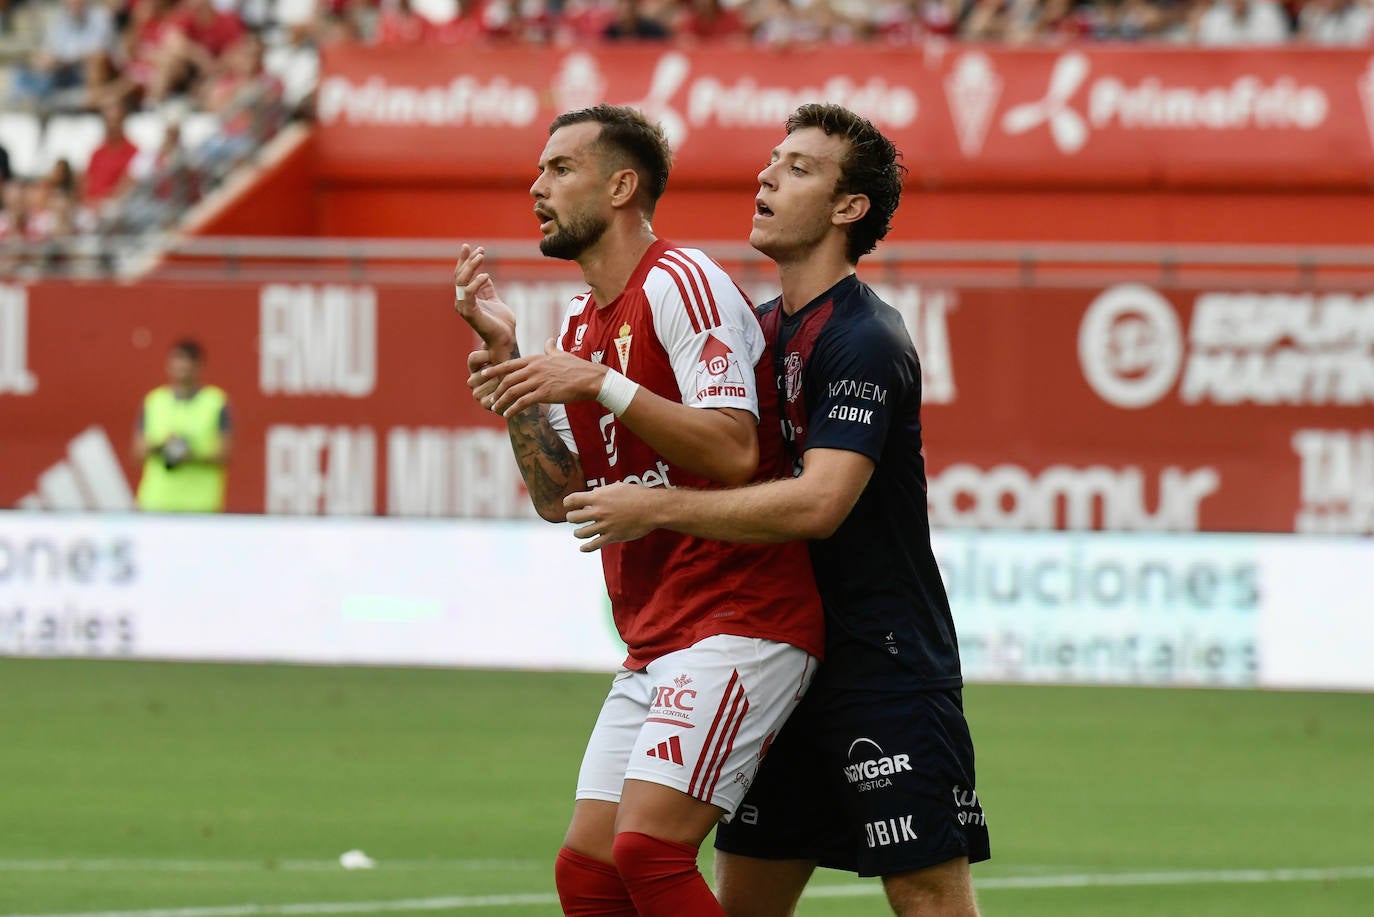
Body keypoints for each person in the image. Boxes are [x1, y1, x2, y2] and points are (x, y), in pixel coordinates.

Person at [562, 103, 991, 916]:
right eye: (771, 159)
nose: (766, 175)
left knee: (929, 895)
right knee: (744, 896)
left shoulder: (865, 337)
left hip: (879, 656)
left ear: (847, 208)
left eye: (798, 167)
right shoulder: (756, 330)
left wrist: (658, 510)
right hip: (770, 643)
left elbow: (822, 502)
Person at [449, 103, 825, 917]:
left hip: (742, 615)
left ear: (621, 185)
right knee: (586, 870)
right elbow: (564, 500)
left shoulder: (681, 283)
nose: (535, 186)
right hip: (658, 631)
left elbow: (731, 449)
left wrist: (600, 384)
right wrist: (512, 370)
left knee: (648, 849)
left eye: (559, 169)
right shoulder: (582, 324)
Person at [132, 338, 233, 512]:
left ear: (199, 366)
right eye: (178, 361)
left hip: (200, 505)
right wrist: (163, 445)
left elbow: (225, 454)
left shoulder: (215, 402)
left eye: (189, 362)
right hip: (156, 502)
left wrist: (191, 455)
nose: (183, 368)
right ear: (168, 365)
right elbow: (138, 452)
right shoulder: (154, 401)